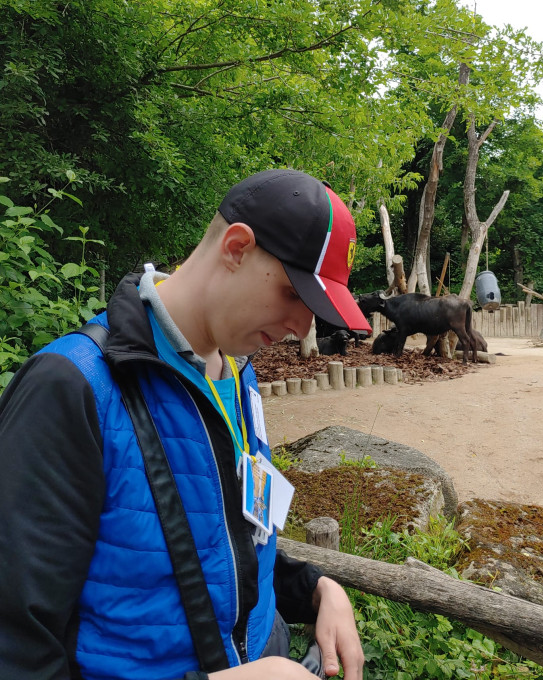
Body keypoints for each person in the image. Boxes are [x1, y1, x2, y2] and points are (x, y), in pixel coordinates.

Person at [0, 169, 372, 680]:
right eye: (293, 294)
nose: (302, 327)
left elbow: (229, 538)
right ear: (236, 248)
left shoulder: (237, 373)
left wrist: (315, 589)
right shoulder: (73, 386)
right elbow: (18, 651)